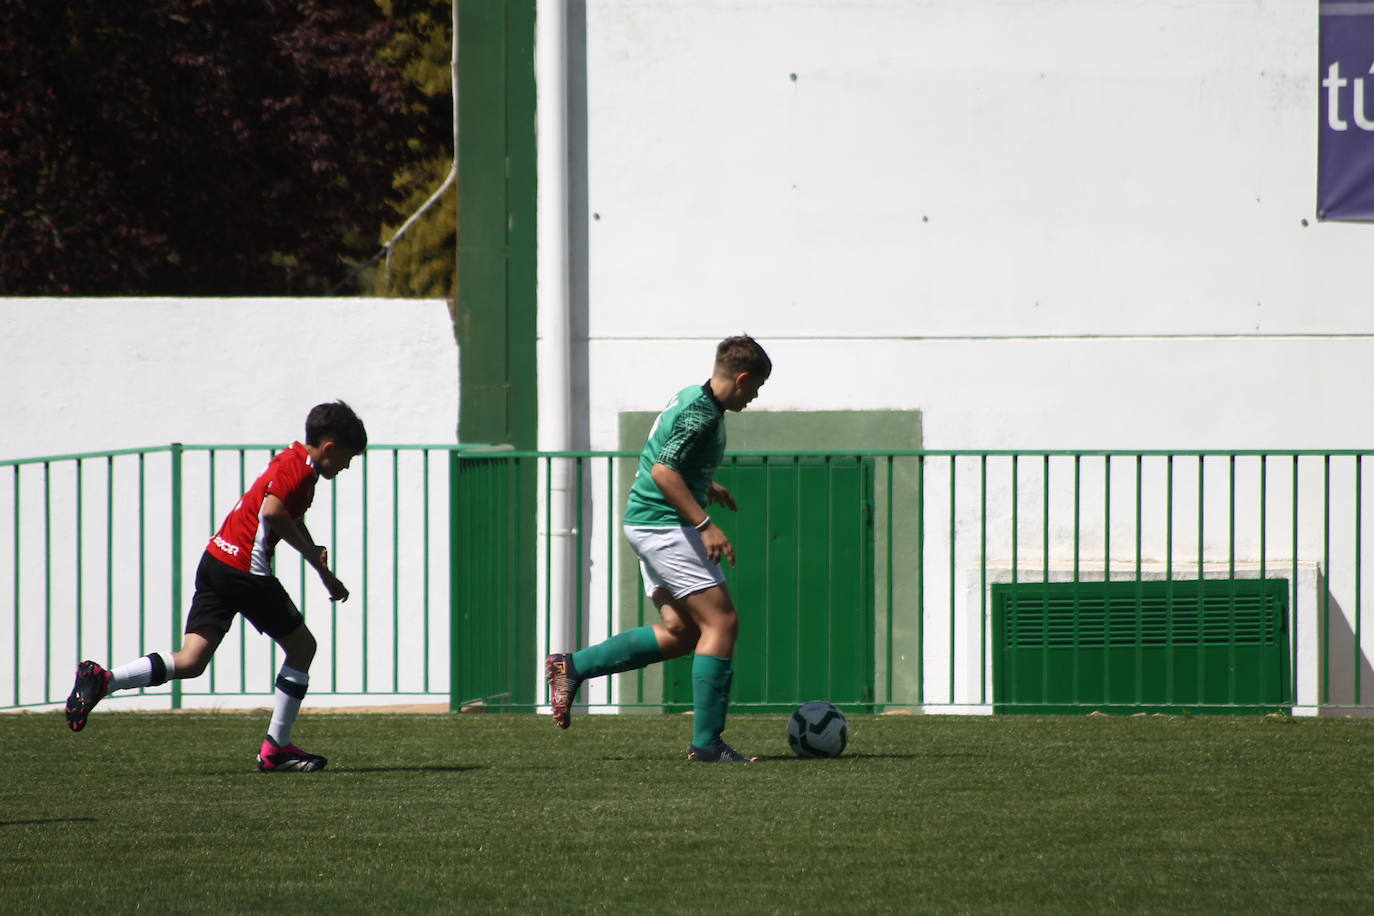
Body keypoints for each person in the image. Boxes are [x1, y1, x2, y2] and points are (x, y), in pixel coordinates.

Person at [64, 401, 368, 773]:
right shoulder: (299, 469)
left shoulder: (289, 460)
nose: (346, 467)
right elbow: (273, 512)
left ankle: (104, 680)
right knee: (303, 647)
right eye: (347, 459)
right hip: (244, 570)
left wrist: (323, 571)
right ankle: (277, 748)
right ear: (330, 447)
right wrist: (311, 555)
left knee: (191, 661)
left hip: (216, 560)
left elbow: (288, 516)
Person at [545, 335, 771, 762]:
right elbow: (666, 470)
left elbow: (664, 457)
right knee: (722, 624)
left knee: (683, 632)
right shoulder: (701, 414)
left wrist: (706, 483)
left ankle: (570, 668)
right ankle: (707, 746)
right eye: (756, 387)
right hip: (666, 526)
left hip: (646, 523)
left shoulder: (689, 395)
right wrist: (705, 524)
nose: (756, 396)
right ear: (741, 379)